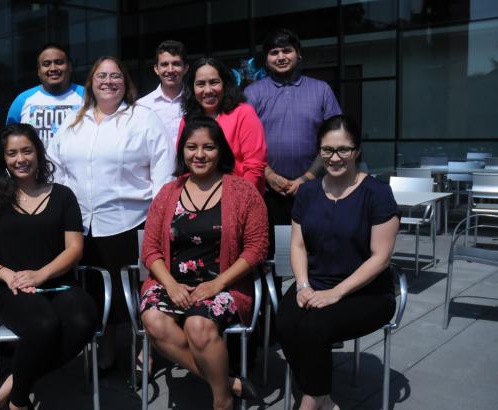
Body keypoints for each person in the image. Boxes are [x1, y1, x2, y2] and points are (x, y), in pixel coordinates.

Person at [48, 56, 175, 371]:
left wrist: (159, 219)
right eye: (101, 75)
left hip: (130, 221)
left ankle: (144, 345)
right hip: (82, 225)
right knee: (95, 294)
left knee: (132, 292)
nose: (108, 81)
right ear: (91, 81)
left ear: (125, 81)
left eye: (115, 75)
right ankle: (104, 347)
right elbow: (55, 166)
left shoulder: (143, 119)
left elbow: (163, 172)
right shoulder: (74, 121)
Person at [139, 117, 266, 409]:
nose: (199, 154)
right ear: (182, 151)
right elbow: (150, 250)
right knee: (154, 320)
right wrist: (170, 285)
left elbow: (257, 248)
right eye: (191, 147)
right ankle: (227, 385)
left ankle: (220, 399)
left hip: (225, 284)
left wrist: (217, 284)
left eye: (208, 147)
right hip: (170, 282)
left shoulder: (243, 191)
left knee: (198, 325)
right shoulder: (168, 193)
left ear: (220, 150)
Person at [276, 115, 399, 410]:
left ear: (356, 150)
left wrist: (335, 293)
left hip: (366, 292)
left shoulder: (378, 194)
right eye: (327, 150)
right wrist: (303, 285)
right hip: (315, 284)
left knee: (314, 327)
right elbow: (297, 244)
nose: (335, 158)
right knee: (285, 322)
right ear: (319, 151)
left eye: (343, 149)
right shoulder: (307, 192)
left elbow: (380, 258)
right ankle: (324, 398)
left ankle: (311, 401)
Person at [0, 124, 98, 410]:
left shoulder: (63, 195)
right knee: (44, 326)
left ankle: (12, 389)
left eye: (27, 151)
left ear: (39, 154)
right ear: (3, 159)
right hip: (14, 290)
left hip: (59, 283)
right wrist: (8, 276)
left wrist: (41, 274)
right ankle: (20, 400)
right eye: (12, 153)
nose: (20, 159)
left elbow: (75, 249)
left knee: (84, 320)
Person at [244, 28, 341, 230]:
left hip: (315, 188)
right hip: (267, 191)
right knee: (273, 252)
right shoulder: (252, 93)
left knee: (313, 247)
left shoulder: (321, 90)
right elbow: (243, 142)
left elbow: (335, 139)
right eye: (274, 52)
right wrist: (269, 175)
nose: (281, 57)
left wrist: (307, 178)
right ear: (266, 59)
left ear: (298, 54)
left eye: (286, 50)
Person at [181, 57, 267, 193]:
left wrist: (239, 202)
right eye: (201, 84)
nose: (208, 90)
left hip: (240, 197)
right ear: (192, 88)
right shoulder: (187, 120)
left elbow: (254, 167)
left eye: (214, 82)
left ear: (225, 84)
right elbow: (184, 165)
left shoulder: (244, 113)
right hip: (199, 201)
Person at [6, 43, 84, 147]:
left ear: (70, 66)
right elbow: (9, 140)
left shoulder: (87, 96)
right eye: (46, 64)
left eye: (59, 62)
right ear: (39, 70)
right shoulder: (22, 100)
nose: (53, 68)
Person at [137, 40, 189, 140]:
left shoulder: (196, 101)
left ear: (185, 68)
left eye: (176, 64)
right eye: (164, 64)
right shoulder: (142, 106)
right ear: (156, 69)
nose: (170, 70)